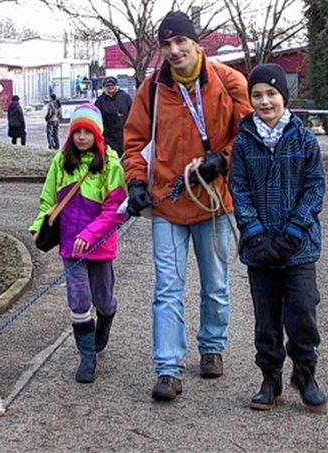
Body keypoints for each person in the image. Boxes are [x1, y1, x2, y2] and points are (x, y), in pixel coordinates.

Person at [122, 10, 253, 402]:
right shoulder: (151, 89)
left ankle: (212, 346)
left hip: (212, 202)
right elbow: (133, 141)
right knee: (167, 288)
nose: (174, 50)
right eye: (166, 44)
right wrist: (136, 182)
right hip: (167, 203)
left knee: (215, 284)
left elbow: (249, 134)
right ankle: (168, 368)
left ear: (196, 43)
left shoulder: (229, 82)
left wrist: (223, 159)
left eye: (180, 41)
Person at [229, 63, 327, 413]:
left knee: (302, 313)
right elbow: (239, 189)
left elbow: (314, 188)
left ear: (284, 97)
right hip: (260, 249)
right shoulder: (244, 142)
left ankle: (305, 373)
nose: (265, 101)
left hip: (297, 247)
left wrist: (294, 231)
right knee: (266, 318)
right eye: (257, 95)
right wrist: (254, 233)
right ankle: (270, 378)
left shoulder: (304, 139)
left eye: (271, 94)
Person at [29, 104, 128, 383]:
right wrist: (39, 226)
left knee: (104, 299)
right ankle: (87, 357)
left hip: (100, 245)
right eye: (77, 132)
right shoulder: (60, 162)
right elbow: (48, 199)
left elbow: (115, 209)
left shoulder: (110, 165)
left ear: (97, 134)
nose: (82, 137)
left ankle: (105, 320)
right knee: (79, 297)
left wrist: (90, 235)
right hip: (71, 246)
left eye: (87, 132)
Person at [93, 76, 133, 158]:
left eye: (112, 85)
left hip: (124, 134)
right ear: (104, 87)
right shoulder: (99, 101)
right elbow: (96, 119)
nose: (110, 87)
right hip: (108, 136)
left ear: (116, 85)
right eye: (108, 85)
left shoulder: (125, 97)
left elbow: (132, 112)